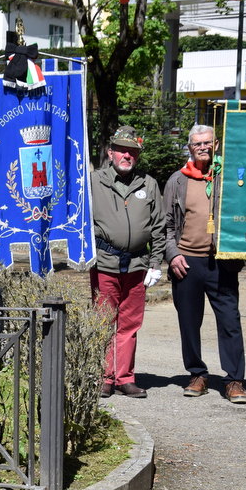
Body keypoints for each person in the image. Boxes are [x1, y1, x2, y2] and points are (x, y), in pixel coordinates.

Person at [163, 124, 246, 404]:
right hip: (186, 262)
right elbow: (167, 225)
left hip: (221, 263)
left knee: (230, 322)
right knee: (189, 323)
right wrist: (173, 254)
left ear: (216, 145)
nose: (203, 147)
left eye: (207, 143)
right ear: (190, 147)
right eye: (197, 143)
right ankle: (197, 374)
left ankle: (234, 380)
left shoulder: (230, 178)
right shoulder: (177, 180)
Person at [90, 125, 166, 398]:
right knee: (103, 321)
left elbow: (159, 227)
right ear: (110, 152)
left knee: (130, 324)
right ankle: (104, 376)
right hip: (104, 263)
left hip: (137, 265)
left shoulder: (149, 184)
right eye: (122, 150)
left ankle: (125, 377)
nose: (127, 155)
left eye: (132, 151)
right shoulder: (94, 182)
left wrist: (156, 263)